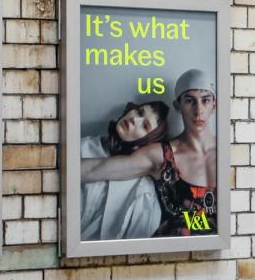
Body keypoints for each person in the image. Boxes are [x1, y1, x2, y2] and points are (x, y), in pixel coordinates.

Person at [79, 69, 218, 237]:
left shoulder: (230, 152)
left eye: (205, 100)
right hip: (173, 254)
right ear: (178, 106)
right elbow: (93, 169)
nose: (199, 111)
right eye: (190, 101)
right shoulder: (160, 155)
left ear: (214, 105)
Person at [77, 101, 169, 241]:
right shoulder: (81, 147)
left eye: (145, 126)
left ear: (148, 142)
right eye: (139, 112)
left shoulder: (143, 189)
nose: (134, 119)